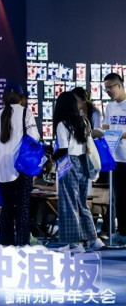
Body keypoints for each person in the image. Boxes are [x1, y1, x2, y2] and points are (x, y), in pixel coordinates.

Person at [0, 81, 39, 246]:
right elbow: (34, 137)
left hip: (1, 170)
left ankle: (5, 245)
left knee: (7, 207)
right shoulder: (25, 113)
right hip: (21, 167)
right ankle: (22, 244)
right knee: (23, 207)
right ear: (21, 98)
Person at [53, 91, 104, 253]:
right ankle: (92, 239)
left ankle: (74, 244)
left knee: (68, 203)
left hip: (68, 163)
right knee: (81, 203)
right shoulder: (84, 121)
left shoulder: (62, 124)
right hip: (83, 163)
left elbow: (63, 149)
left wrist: (51, 157)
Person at [102, 73, 126, 246]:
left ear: (119, 86)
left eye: (109, 87)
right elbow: (105, 126)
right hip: (116, 158)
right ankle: (123, 232)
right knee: (120, 198)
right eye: (105, 89)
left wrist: (115, 134)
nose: (108, 91)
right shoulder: (110, 107)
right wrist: (102, 132)